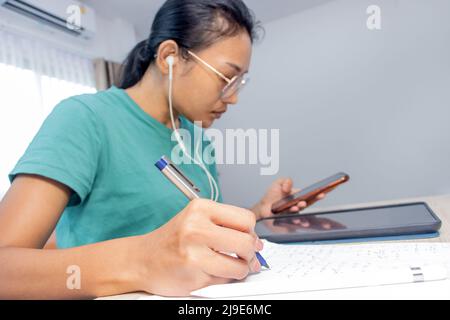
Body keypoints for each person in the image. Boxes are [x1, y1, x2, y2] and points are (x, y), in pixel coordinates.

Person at [0, 0, 326, 299]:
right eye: (227, 78)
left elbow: (200, 229)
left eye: (240, 83)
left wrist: (259, 211)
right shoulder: (85, 118)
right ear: (169, 56)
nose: (234, 97)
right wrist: (143, 261)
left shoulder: (196, 139)